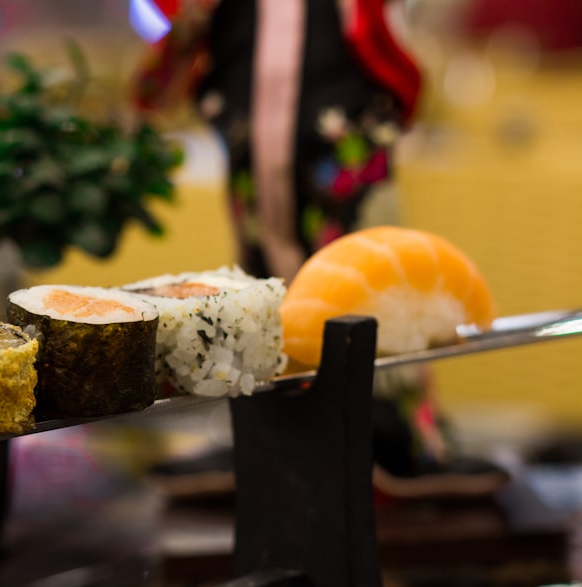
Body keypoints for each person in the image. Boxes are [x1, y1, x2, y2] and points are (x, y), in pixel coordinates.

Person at [130, 0, 508, 498]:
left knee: (370, 270)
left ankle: (399, 432)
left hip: (343, 121)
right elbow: (168, 65)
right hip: (249, 123)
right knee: (260, 278)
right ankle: (260, 427)